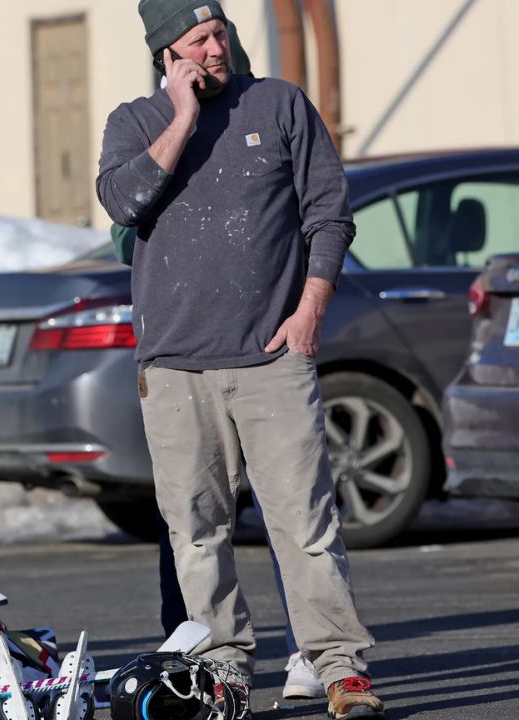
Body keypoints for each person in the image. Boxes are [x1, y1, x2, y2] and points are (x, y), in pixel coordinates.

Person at [96, 2, 384, 718]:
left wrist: (310, 306)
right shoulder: (134, 123)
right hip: (174, 367)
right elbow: (122, 202)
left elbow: (329, 211)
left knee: (305, 525)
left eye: (220, 31)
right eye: (198, 39)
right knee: (196, 532)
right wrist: (183, 118)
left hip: (271, 359)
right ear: (167, 53)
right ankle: (224, 667)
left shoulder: (280, 105)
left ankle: (340, 668)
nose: (216, 46)